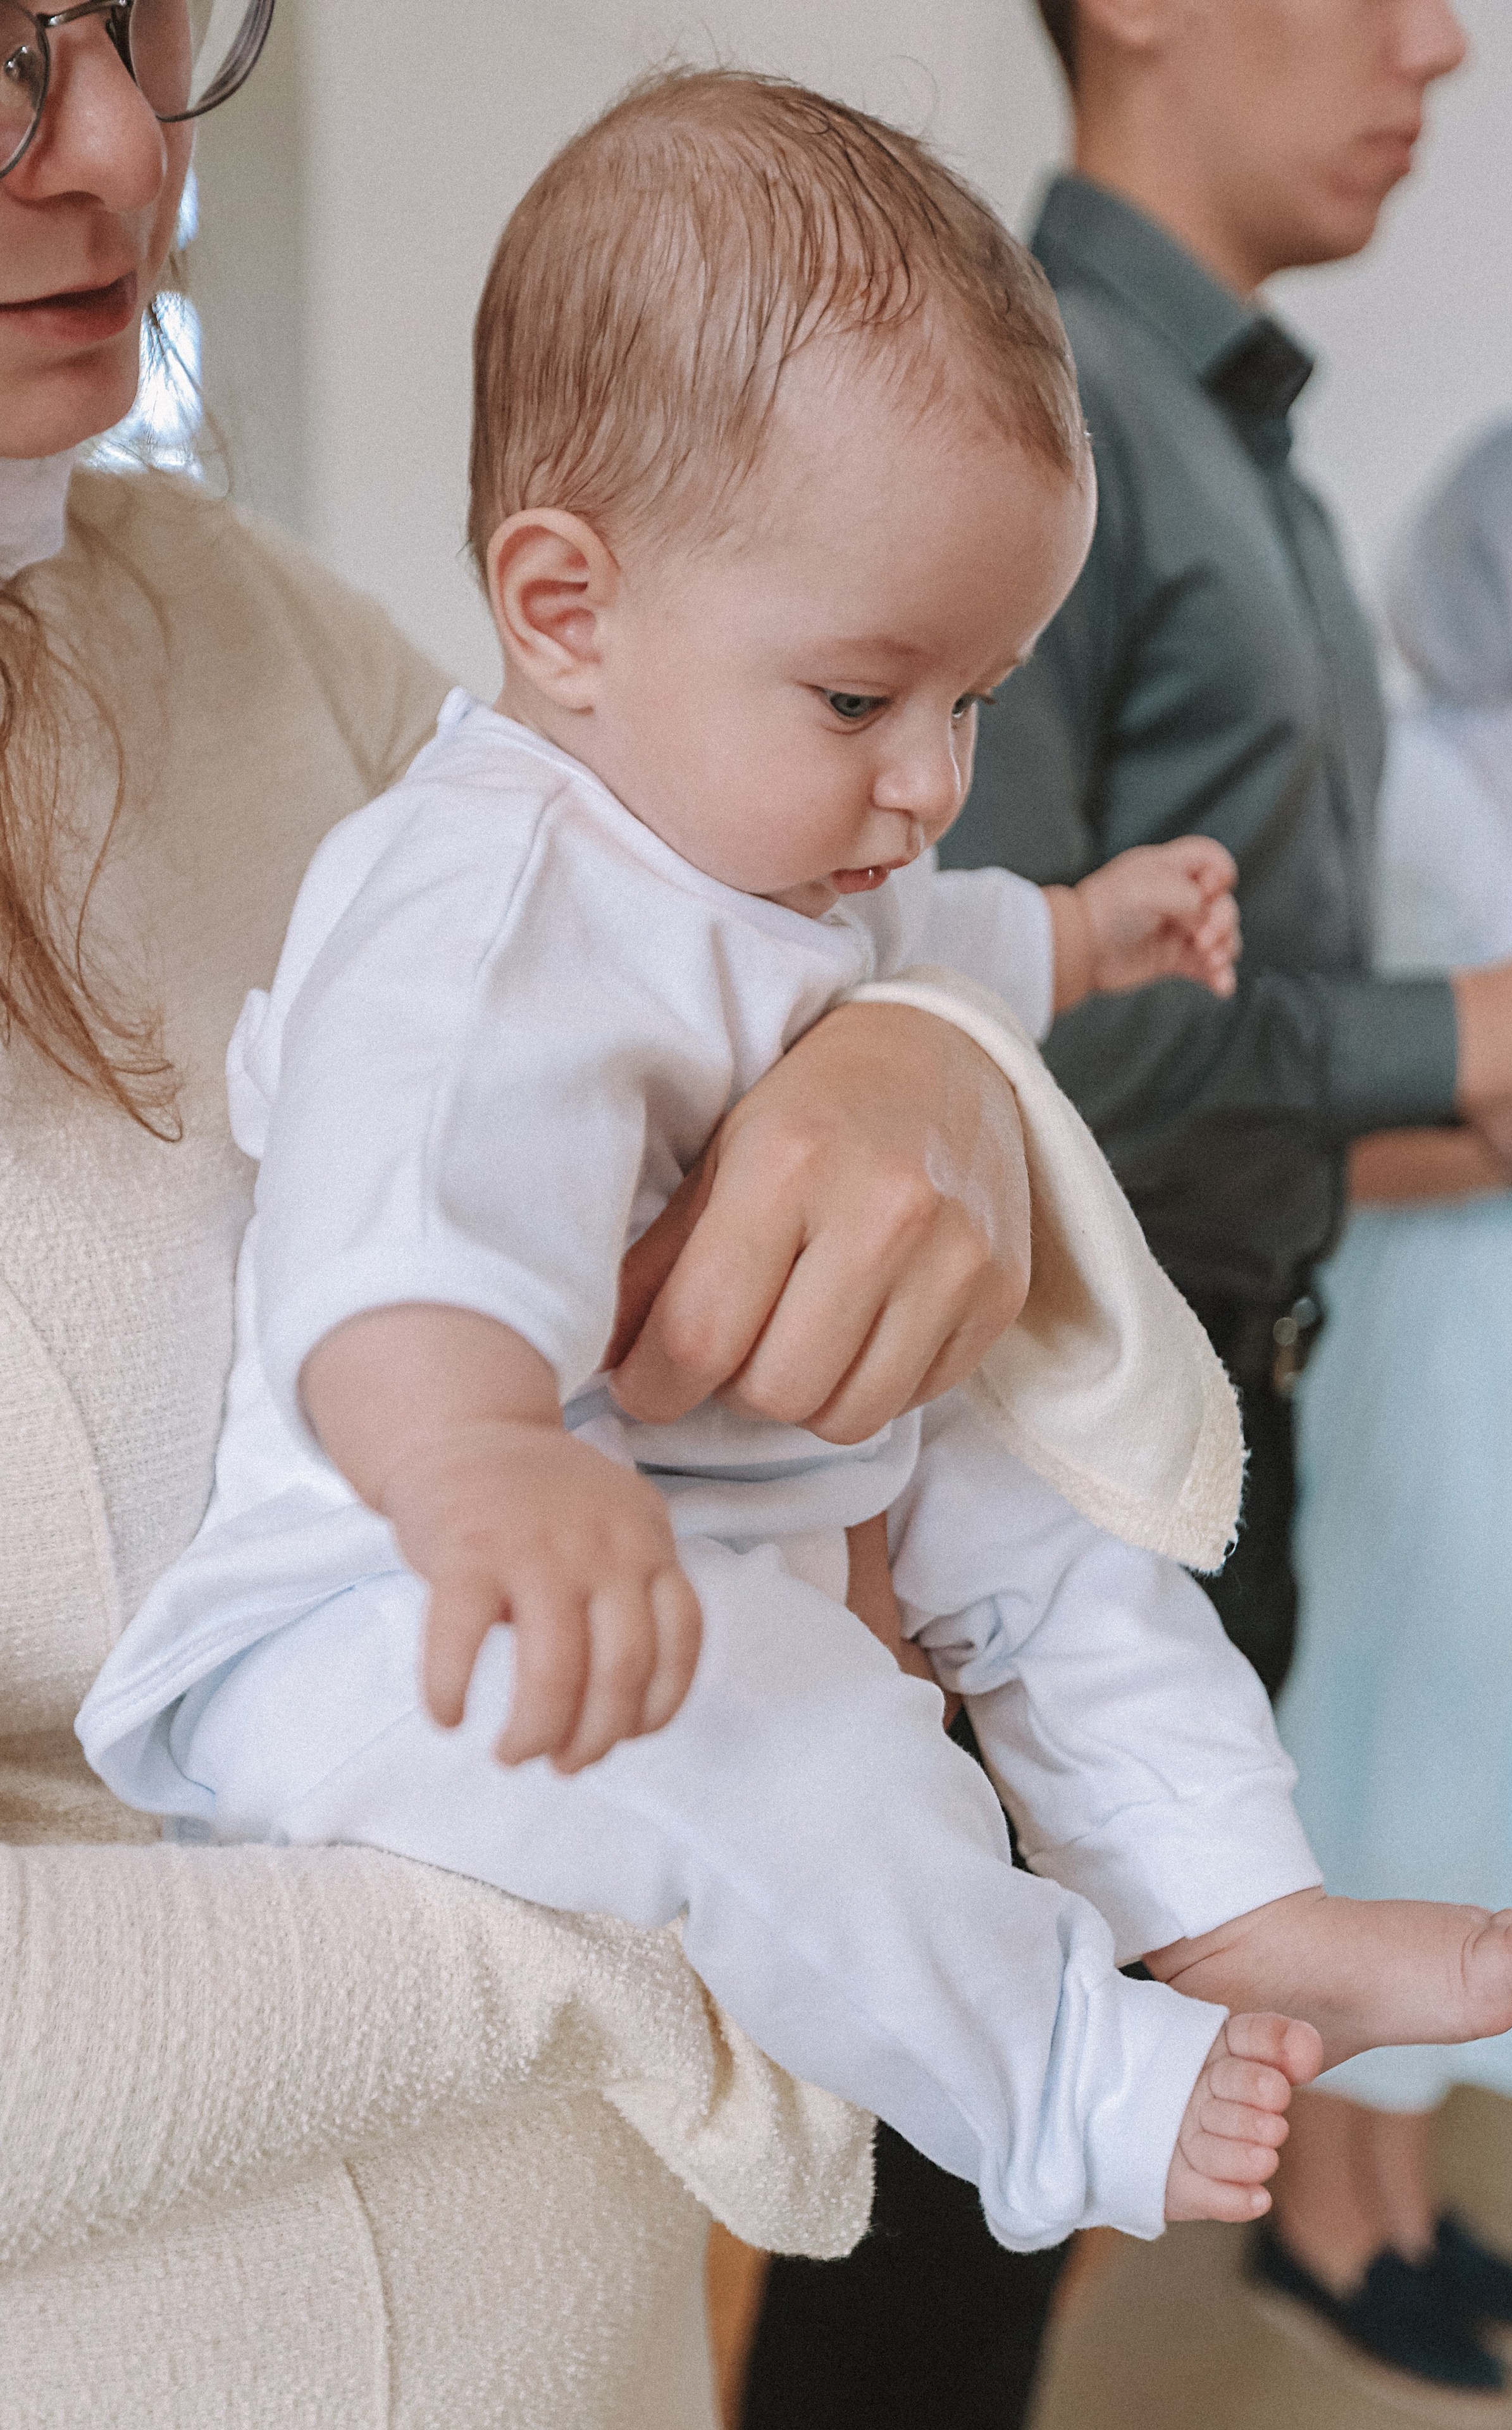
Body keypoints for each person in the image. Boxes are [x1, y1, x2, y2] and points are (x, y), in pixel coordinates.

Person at [80, 66, 1512, 2265]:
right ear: (564, 609)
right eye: (868, 703)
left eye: (975, 703)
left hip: (713, 1495)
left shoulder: (770, 849)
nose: (931, 784)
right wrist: (488, 1463)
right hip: (415, 1608)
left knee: (1066, 1528)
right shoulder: (488, 899)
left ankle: (1238, 1901)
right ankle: (1069, 2082)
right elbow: (387, 1235)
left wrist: (1094, 929)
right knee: (800, 1751)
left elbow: (948, 936)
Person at [0, 11, 1067, 2420]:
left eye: (148, 25)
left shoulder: (244, 630)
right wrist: (680, 1890)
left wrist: (930, 1061)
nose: (111, 146)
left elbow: (712, 927)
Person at [767, 3, 1512, 2424]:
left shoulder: (1237, 442)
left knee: (1038, 2181)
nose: (1441, 39)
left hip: (1229, 1400)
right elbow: (970, 1034)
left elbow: (1206, 1035)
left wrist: (1479, 1116)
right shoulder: (1023, 416)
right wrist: (1496, 1031)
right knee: (940, 2205)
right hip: (1041, 1471)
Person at [1261, 407, 1512, 2395]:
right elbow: (1323, 1125)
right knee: (1394, 1757)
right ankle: (1326, 2220)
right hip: (1429, 1343)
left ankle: (1410, 2192)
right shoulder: (1411, 794)